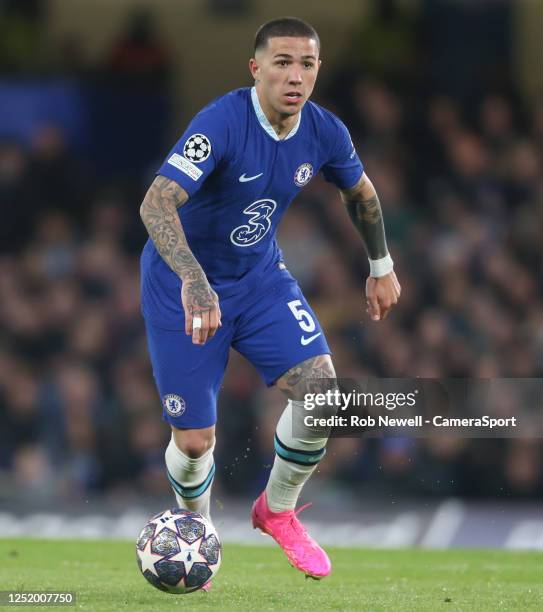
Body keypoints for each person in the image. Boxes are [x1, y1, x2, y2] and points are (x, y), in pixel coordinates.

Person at [139, 17, 401, 583]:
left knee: (323, 396)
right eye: (282, 62)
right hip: (181, 286)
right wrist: (193, 279)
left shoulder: (325, 131)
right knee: (194, 441)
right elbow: (156, 205)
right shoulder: (222, 123)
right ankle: (196, 533)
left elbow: (361, 192)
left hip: (258, 281)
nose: (295, 75)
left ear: (317, 72)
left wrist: (381, 264)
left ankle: (276, 509)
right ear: (256, 69)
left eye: (306, 64)